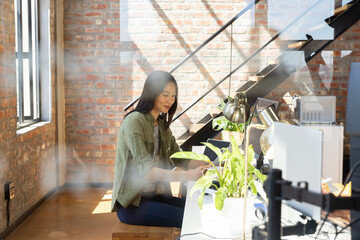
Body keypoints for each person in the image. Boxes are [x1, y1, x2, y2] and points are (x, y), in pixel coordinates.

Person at [111, 70, 208, 228]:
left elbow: (179, 157)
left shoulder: (161, 124)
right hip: (133, 205)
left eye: (173, 95)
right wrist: (189, 175)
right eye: (165, 94)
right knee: (190, 220)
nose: (170, 100)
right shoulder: (134, 122)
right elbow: (147, 171)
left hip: (154, 195)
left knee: (197, 210)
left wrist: (214, 164)